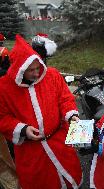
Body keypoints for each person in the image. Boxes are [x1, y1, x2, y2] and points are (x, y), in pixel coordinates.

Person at [0, 34, 82, 189]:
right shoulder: (4, 88)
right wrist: (22, 129)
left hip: (60, 143)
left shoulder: (52, 76)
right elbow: (2, 118)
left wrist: (72, 115)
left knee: (70, 178)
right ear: (19, 68)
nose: (36, 73)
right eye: (31, 70)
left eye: (38, 68)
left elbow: (65, 99)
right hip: (31, 153)